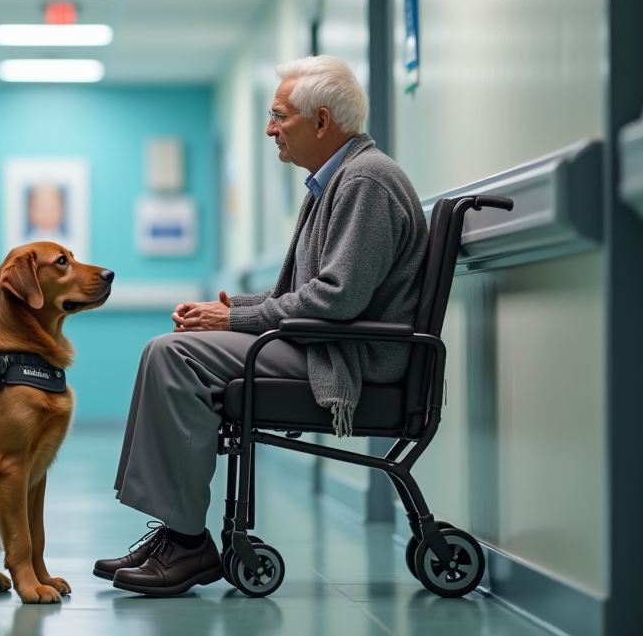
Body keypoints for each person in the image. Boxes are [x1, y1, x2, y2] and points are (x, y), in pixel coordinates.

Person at [97, 55, 428, 597]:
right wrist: (224, 312)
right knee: (176, 345)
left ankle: (185, 543)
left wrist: (237, 317)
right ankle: (176, 535)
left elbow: (336, 300)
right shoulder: (336, 180)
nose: (270, 129)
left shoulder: (365, 181)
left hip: (349, 359)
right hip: (327, 344)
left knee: (171, 354)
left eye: (279, 116)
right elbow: (301, 296)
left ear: (322, 121)